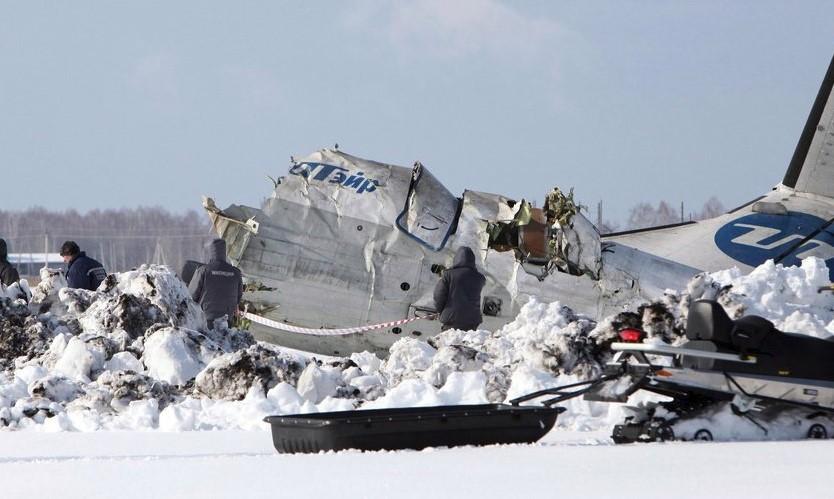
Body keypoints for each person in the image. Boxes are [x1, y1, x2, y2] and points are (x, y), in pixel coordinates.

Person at [188, 239, 243, 328]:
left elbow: (191, 294)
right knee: (225, 341)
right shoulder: (236, 272)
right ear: (224, 252)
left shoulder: (203, 270)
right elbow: (239, 296)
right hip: (227, 320)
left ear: (211, 252)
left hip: (206, 319)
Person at [433, 246, 486, 331]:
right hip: (472, 321)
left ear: (456, 259)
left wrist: (440, 310)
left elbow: (438, 295)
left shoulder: (448, 275)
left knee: (448, 343)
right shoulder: (480, 278)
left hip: (452, 319)